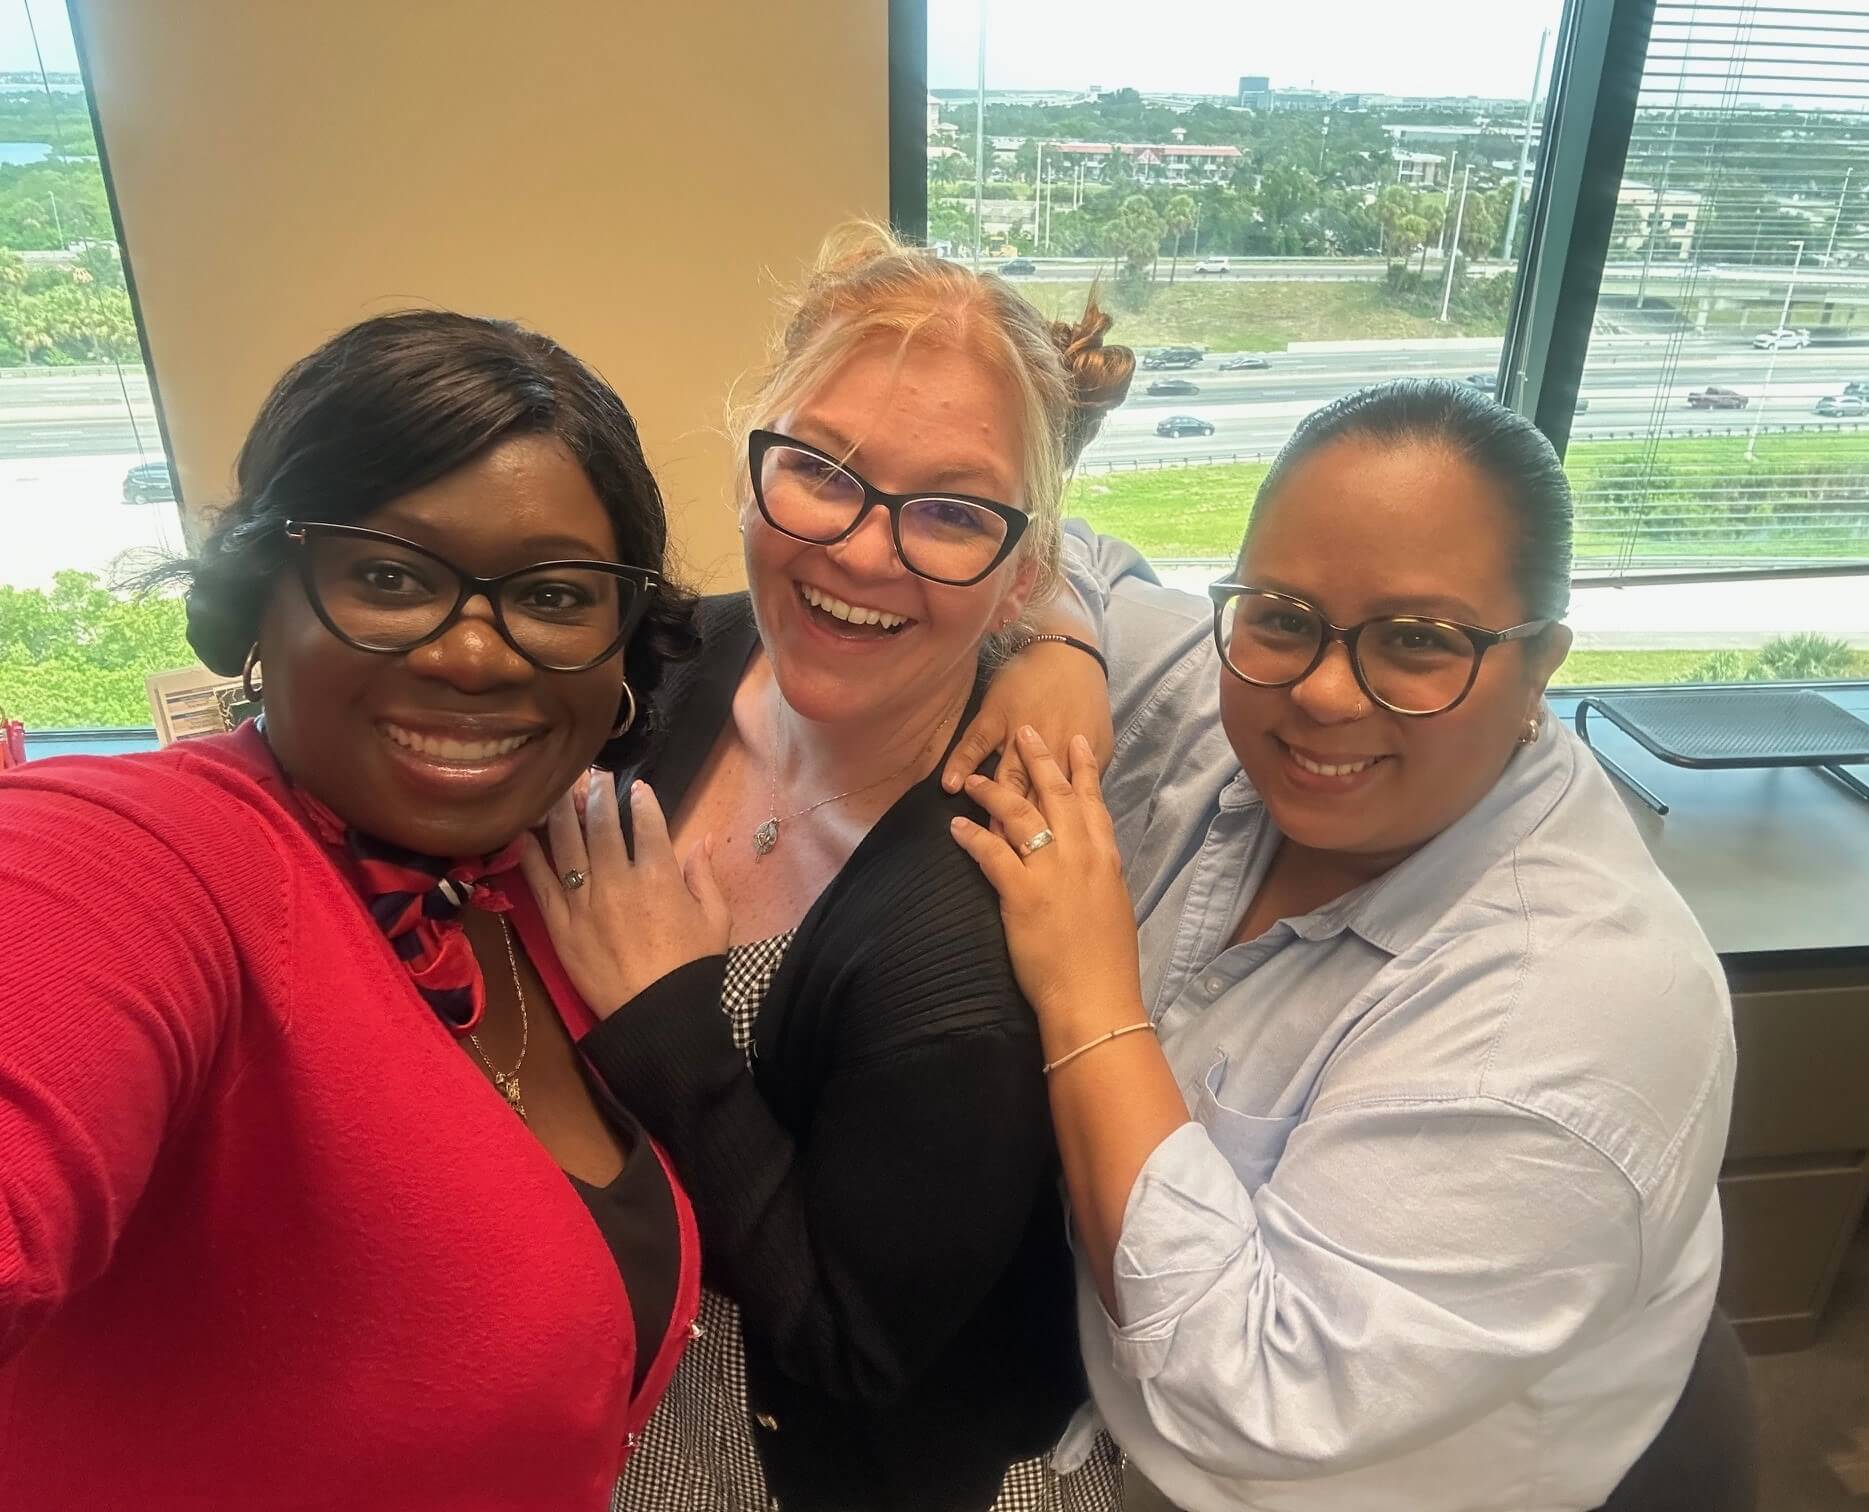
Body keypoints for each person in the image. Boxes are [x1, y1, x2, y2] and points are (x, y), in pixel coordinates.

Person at [946, 379, 1738, 1511]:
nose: (1320, 691)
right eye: (1281, 615)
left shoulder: (1576, 1013)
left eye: (1418, 640)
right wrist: (1064, 644)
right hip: (1082, 1368)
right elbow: (1080, 550)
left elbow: (1252, 1393)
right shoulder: (1223, 708)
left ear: (1541, 664)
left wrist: (1085, 991)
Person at [0, 312, 705, 1509]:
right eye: (389, 577)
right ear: (254, 602)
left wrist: (1056, 650)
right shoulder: (139, 857)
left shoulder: (544, 884)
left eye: (550, 594)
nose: (476, 656)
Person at [522, 224, 1134, 1512]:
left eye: (953, 511)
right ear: (755, 472)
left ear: (1025, 569)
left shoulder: (970, 932)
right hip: (608, 1382)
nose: (861, 552)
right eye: (820, 471)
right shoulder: (673, 663)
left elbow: (854, 1346)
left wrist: (665, 1028)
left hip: (822, 1462)